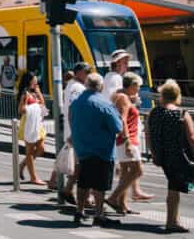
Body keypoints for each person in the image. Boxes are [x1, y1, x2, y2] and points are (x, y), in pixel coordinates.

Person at [69, 72, 123, 227]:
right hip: (101, 149)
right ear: (101, 86)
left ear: (87, 85)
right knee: (99, 184)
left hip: (82, 148)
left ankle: (79, 211)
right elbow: (117, 127)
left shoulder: (77, 102)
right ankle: (99, 214)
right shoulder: (104, 104)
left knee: (83, 181)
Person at [146, 80, 194, 233]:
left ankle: (174, 219)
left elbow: (148, 135)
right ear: (177, 95)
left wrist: (154, 154)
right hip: (178, 156)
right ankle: (171, 222)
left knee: (174, 186)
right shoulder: (182, 113)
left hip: (162, 156)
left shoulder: (154, 112)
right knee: (174, 188)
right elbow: (192, 138)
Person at [106, 72, 144, 215]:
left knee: (125, 173)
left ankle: (122, 205)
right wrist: (127, 140)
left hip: (121, 139)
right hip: (127, 139)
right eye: (138, 86)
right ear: (132, 85)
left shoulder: (120, 96)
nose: (139, 89)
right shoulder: (123, 98)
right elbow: (122, 119)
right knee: (137, 170)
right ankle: (113, 198)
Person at [59, 62, 90, 204]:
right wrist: (75, 132)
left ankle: (68, 189)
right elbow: (75, 109)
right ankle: (77, 193)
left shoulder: (72, 85)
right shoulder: (77, 88)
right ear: (78, 72)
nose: (88, 75)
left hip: (75, 130)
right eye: (86, 72)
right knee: (84, 164)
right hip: (77, 131)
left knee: (80, 164)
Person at [17, 71, 47, 185]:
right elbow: (21, 110)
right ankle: (34, 177)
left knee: (41, 149)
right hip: (29, 122)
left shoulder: (35, 92)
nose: (36, 81)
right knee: (29, 151)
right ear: (29, 81)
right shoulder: (25, 94)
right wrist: (33, 107)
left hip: (38, 123)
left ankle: (23, 164)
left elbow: (43, 104)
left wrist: (39, 93)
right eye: (35, 80)